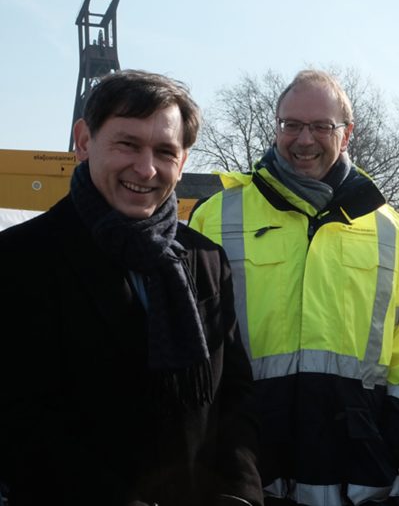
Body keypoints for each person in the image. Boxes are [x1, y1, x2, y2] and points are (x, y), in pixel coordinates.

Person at [0, 70, 262, 505]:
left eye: (165, 151)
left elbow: (234, 395)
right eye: (128, 144)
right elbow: (17, 419)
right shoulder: (19, 260)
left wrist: (239, 493)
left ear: (182, 160)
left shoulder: (206, 261)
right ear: (84, 141)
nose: (146, 168)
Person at [188, 69, 399, 506]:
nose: (304, 139)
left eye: (321, 126)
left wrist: (396, 440)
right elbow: (192, 341)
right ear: (277, 127)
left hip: (357, 472)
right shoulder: (216, 216)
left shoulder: (393, 231)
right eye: (292, 125)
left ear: (347, 135)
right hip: (244, 468)